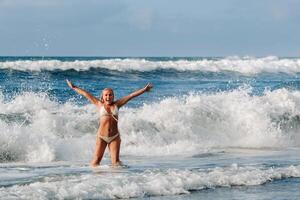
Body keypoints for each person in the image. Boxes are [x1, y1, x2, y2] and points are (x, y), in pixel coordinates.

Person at [66, 80, 153, 167]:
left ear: (113, 96)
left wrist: (144, 90)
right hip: (101, 137)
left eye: (110, 95)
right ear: (103, 97)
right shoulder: (99, 104)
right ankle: (93, 179)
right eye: (106, 95)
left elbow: (131, 96)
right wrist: (74, 87)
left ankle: (117, 178)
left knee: (116, 163)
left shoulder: (117, 104)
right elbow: (86, 94)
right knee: (95, 162)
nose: (108, 97)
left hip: (114, 137)